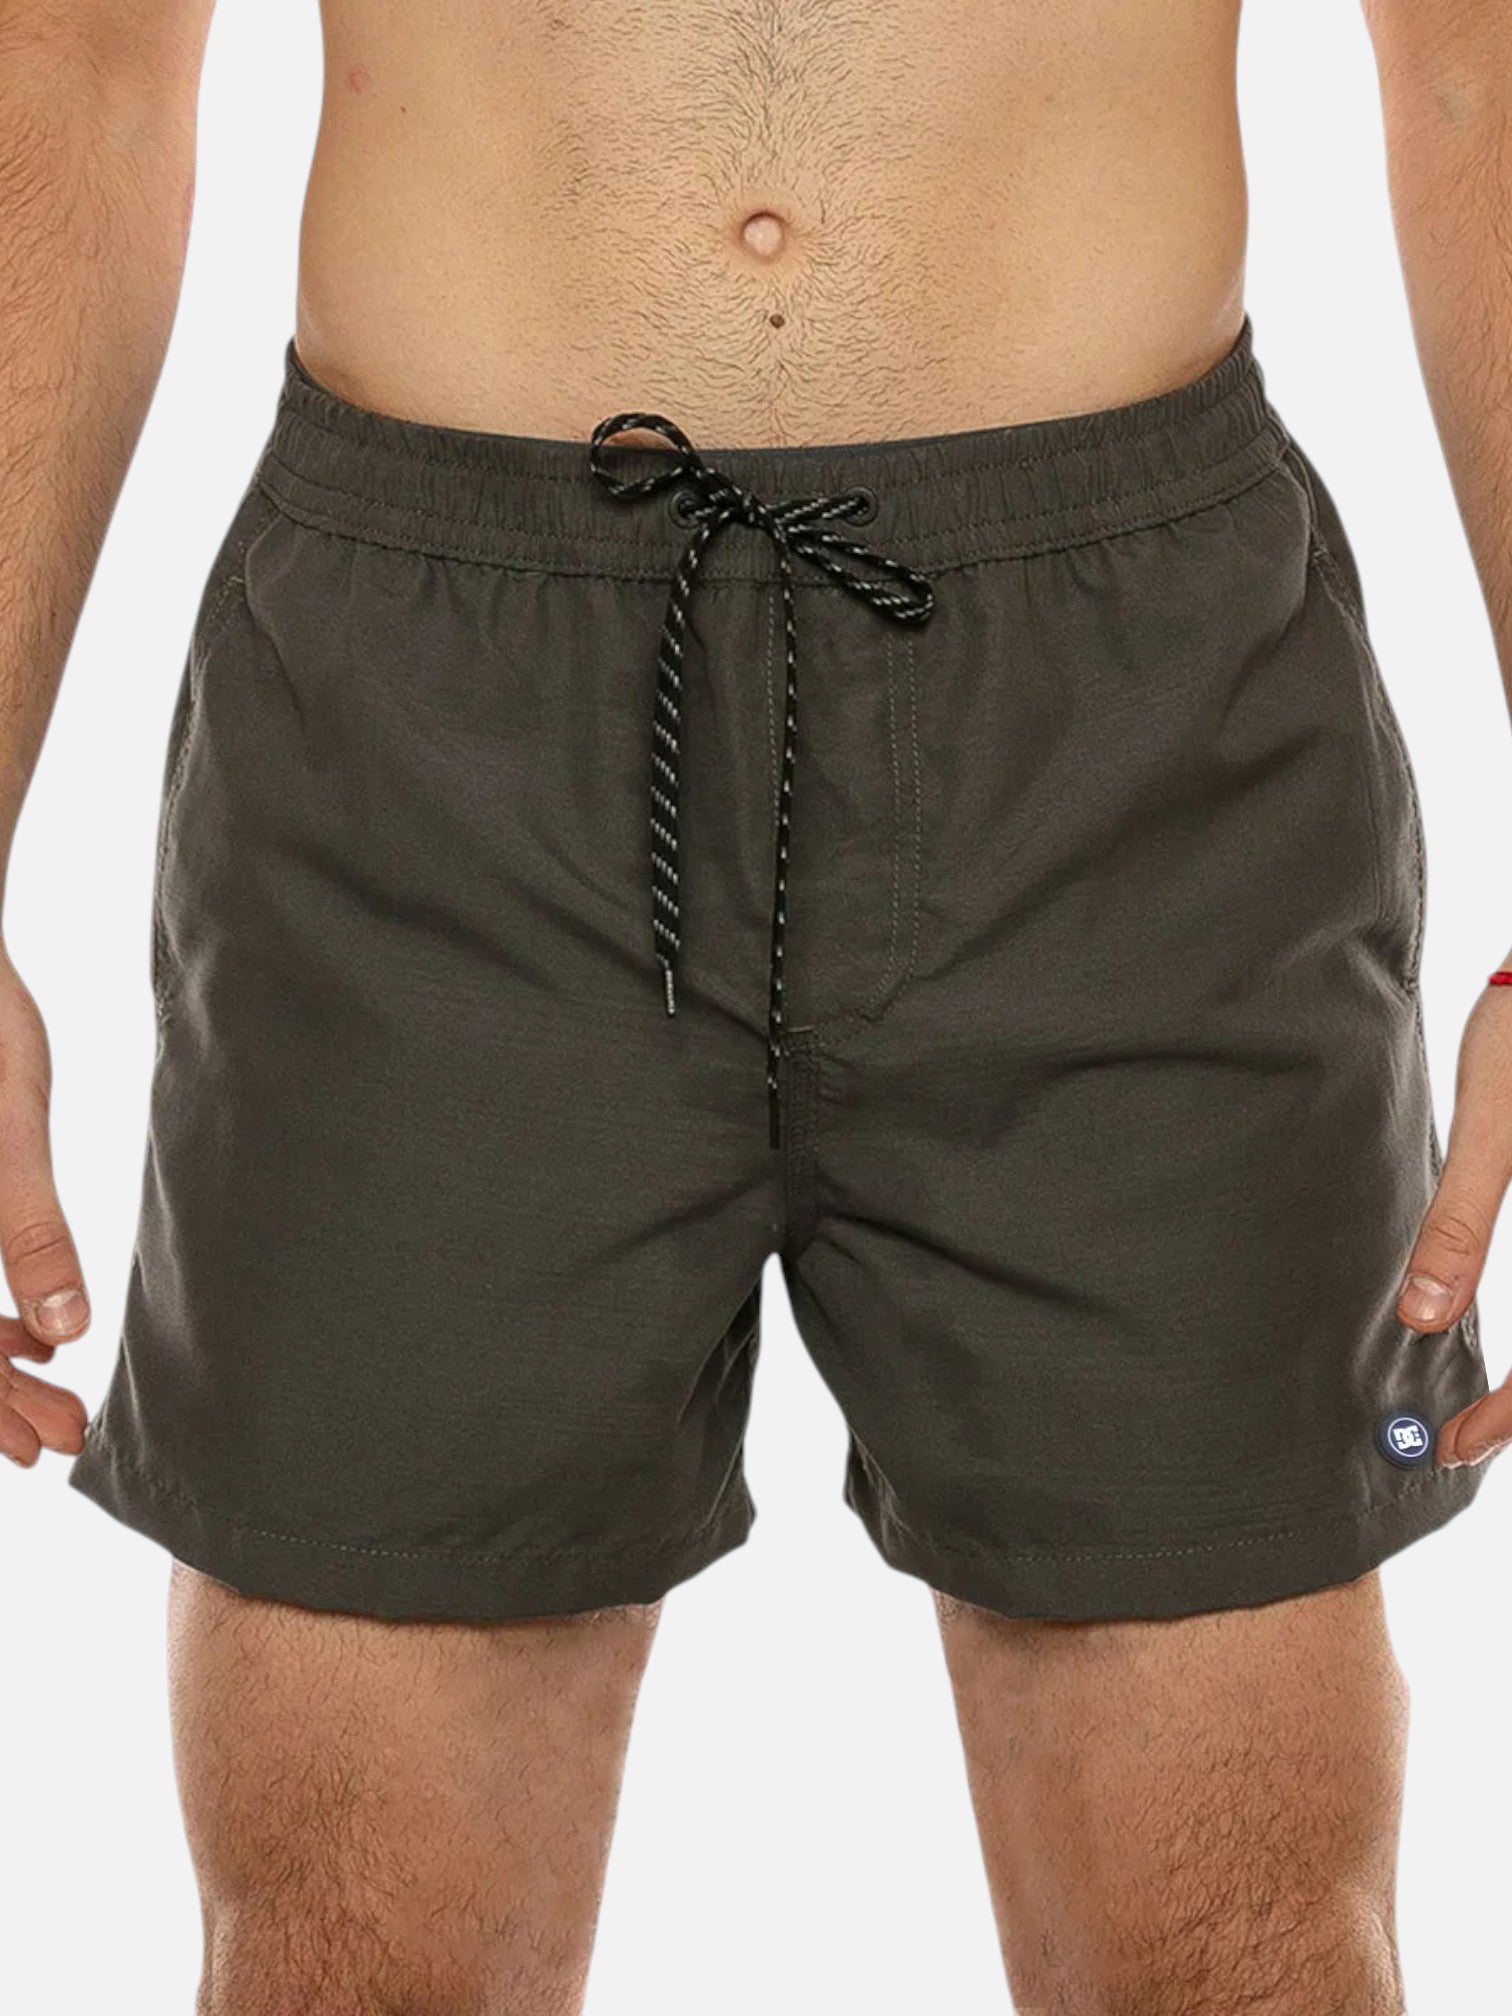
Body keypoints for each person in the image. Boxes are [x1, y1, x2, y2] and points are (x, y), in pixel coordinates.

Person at [3, 0, 1509, 2007]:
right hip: (430, 721)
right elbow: (74, 63)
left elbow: (1478, 63)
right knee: (351, 1953)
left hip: (1131, 707)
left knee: (1237, 1952)